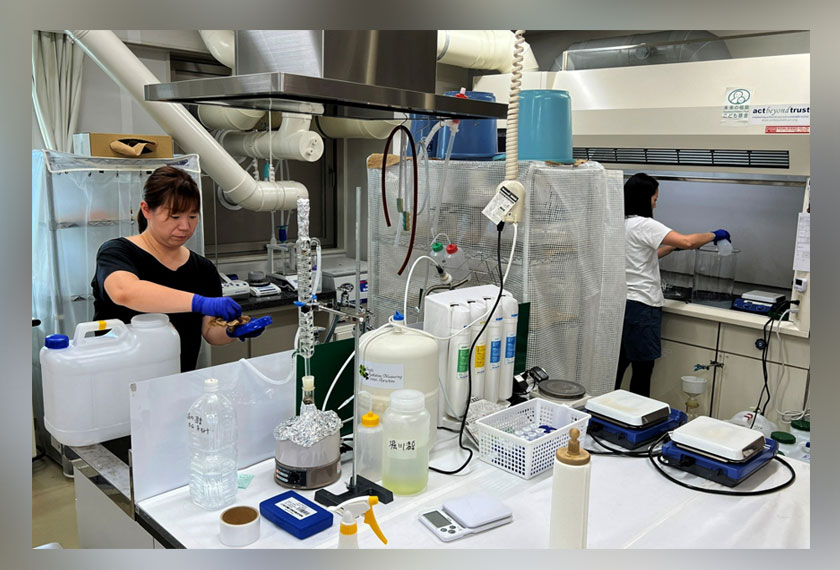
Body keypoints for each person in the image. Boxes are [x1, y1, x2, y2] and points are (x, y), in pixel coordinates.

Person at [91, 165, 267, 372]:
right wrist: (199, 302)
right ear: (147, 210)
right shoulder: (118, 252)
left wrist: (233, 331)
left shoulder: (202, 268)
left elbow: (210, 332)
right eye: (175, 217)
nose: (185, 226)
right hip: (120, 380)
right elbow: (124, 292)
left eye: (192, 216)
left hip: (179, 379)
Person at [615, 173, 730, 397]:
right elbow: (688, 241)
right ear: (645, 198)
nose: (656, 203)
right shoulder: (645, 224)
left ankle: (606, 417)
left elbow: (643, 258)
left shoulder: (622, 224)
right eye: (655, 198)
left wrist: (672, 247)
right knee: (642, 370)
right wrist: (715, 234)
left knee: (617, 367)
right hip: (642, 308)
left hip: (623, 305)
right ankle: (639, 424)